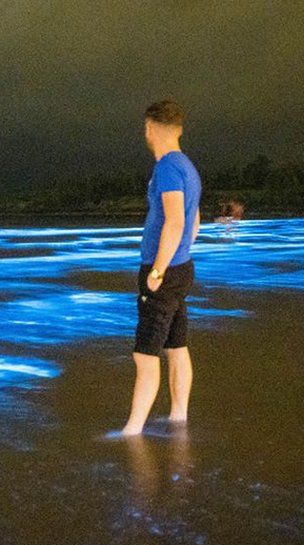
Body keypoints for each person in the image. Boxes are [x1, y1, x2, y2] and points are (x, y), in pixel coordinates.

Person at [120, 99, 202, 437]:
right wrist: (179, 256)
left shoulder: (168, 167)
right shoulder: (188, 167)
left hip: (164, 272)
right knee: (176, 347)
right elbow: (193, 221)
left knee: (146, 354)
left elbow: (175, 221)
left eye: (145, 127)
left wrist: (157, 271)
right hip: (181, 268)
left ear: (151, 127)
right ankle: (178, 418)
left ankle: (132, 432)